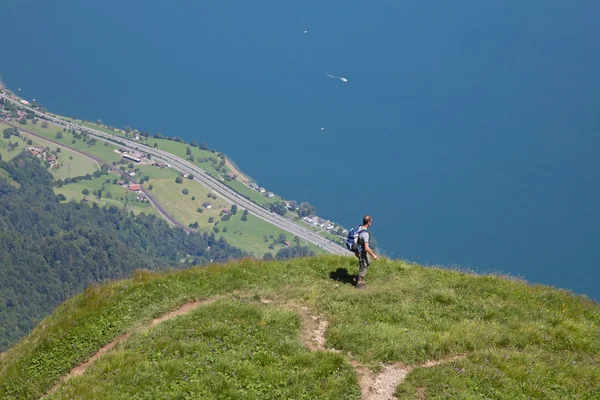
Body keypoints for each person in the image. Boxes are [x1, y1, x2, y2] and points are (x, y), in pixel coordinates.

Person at [355, 215, 378, 289]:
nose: (371, 223)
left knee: (367, 262)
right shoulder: (365, 234)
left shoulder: (359, 227)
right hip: (361, 252)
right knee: (363, 266)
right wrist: (374, 255)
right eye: (371, 221)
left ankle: (359, 277)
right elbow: (366, 247)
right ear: (368, 223)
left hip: (357, 250)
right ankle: (359, 284)